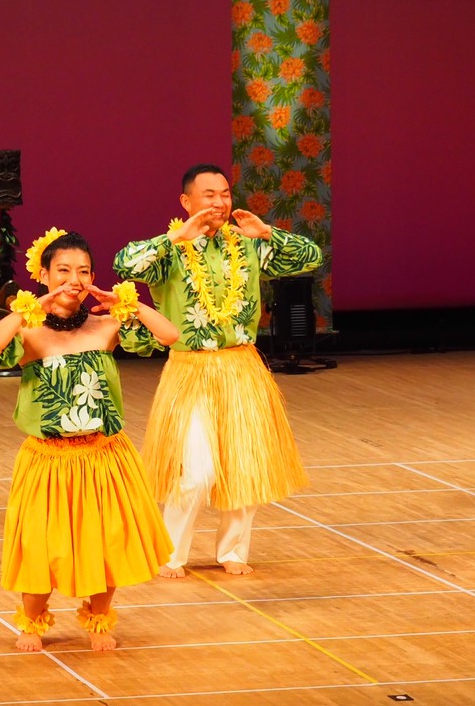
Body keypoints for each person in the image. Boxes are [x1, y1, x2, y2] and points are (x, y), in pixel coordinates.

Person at [113, 164, 321, 577]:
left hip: (242, 368)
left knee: (245, 468)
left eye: (225, 194)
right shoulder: (170, 251)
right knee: (195, 473)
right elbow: (125, 265)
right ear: (186, 201)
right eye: (209, 195)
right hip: (190, 370)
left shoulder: (248, 244)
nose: (219, 202)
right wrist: (175, 237)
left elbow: (311, 257)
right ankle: (170, 554)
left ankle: (233, 552)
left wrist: (267, 233)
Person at [0, 229, 178, 651]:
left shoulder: (105, 326)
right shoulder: (30, 333)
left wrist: (129, 304)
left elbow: (169, 336)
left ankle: (99, 619)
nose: (74, 280)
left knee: (106, 544)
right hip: (48, 459)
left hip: (104, 455)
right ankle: (32, 622)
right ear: (44, 275)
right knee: (41, 546)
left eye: (84, 271)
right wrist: (29, 309)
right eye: (63, 271)